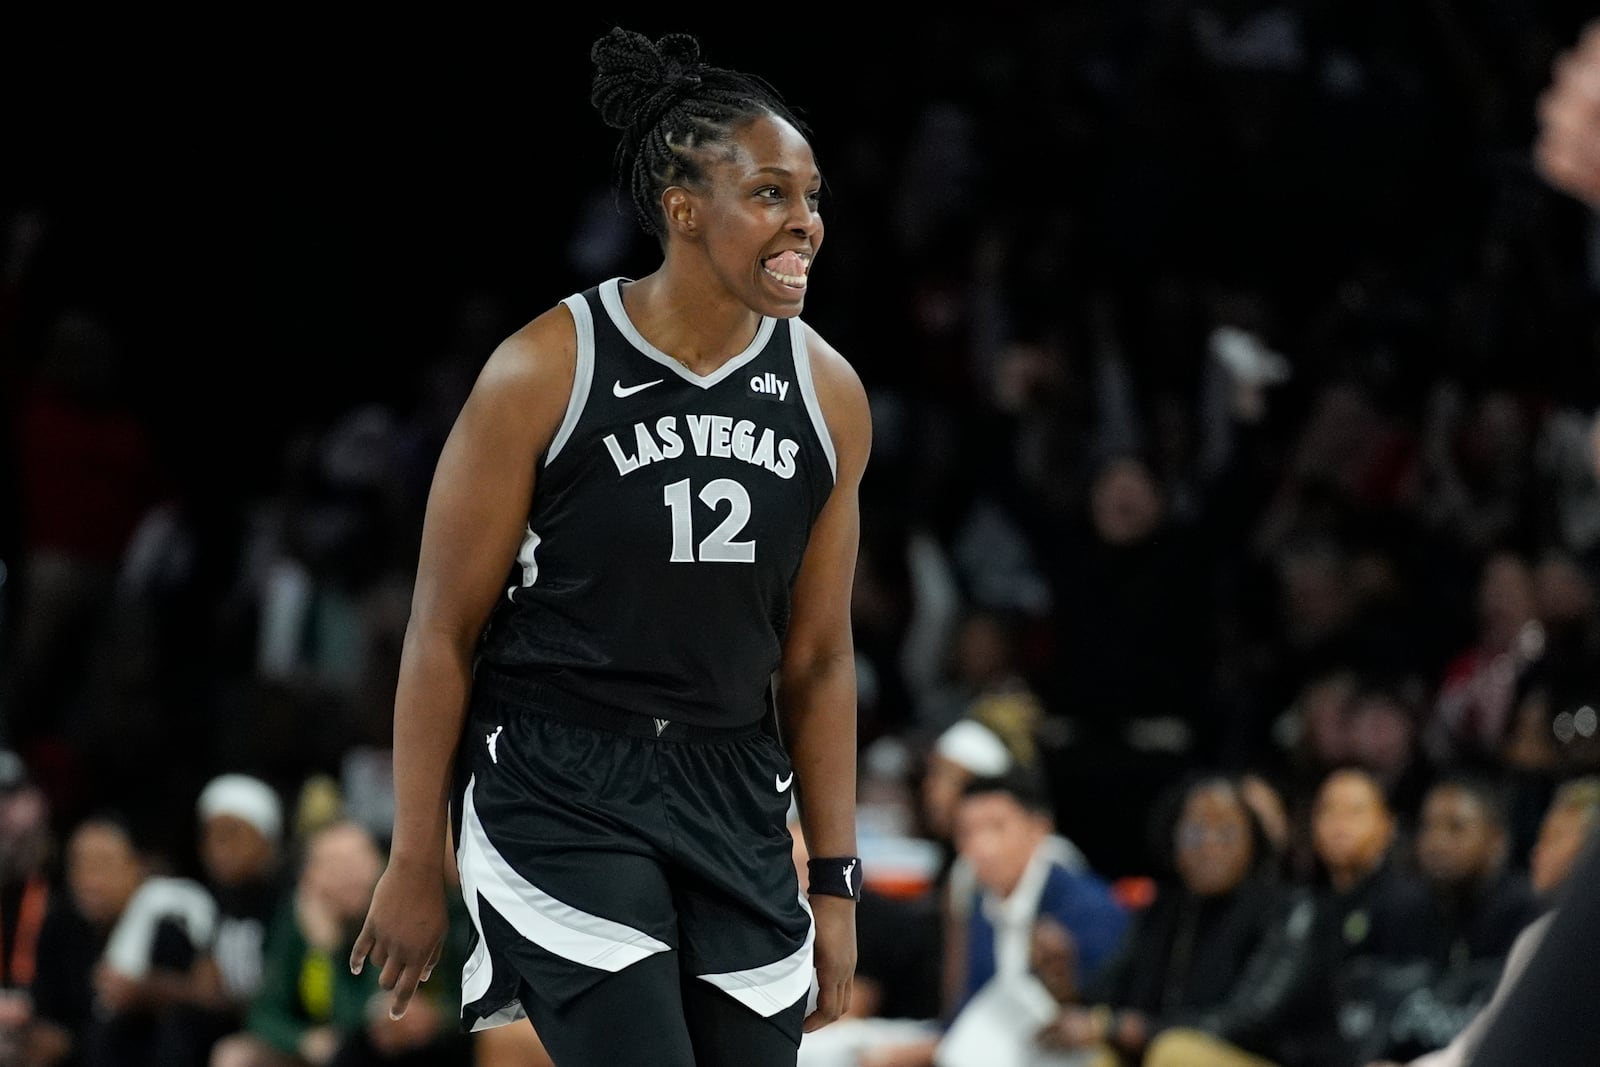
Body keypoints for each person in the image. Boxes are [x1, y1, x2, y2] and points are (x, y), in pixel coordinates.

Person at [346, 26, 871, 1067]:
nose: (803, 223)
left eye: (810, 197)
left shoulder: (828, 392)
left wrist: (835, 881)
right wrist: (416, 852)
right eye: (770, 194)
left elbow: (815, 656)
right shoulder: (543, 367)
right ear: (682, 209)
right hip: (558, 773)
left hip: (733, 783)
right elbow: (441, 628)